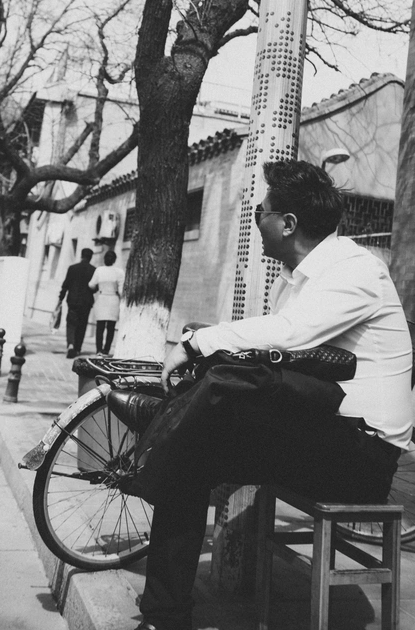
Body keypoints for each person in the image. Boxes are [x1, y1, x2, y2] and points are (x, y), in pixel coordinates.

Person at [109, 160, 413, 630]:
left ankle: (161, 426)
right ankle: (164, 616)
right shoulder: (292, 280)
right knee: (192, 458)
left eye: (259, 212)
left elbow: (289, 333)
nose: (255, 221)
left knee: (207, 417)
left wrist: (194, 342)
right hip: (322, 431)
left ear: (288, 223)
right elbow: (279, 347)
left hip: (361, 456)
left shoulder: (357, 271)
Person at [58, 248, 95, 358]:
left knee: (71, 323)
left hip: (73, 301)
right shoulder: (93, 270)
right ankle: (77, 348)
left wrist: (60, 298)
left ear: (81, 255)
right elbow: (95, 287)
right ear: (90, 257)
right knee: (82, 325)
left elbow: (66, 285)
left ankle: (71, 344)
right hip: (86, 302)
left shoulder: (72, 268)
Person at [89, 249, 125, 356]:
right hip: (113, 300)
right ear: (114, 260)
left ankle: (99, 350)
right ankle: (106, 350)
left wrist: (98, 287)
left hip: (102, 298)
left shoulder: (99, 270)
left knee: (100, 326)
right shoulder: (119, 272)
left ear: (104, 259)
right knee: (111, 327)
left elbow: (91, 284)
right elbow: (121, 291)